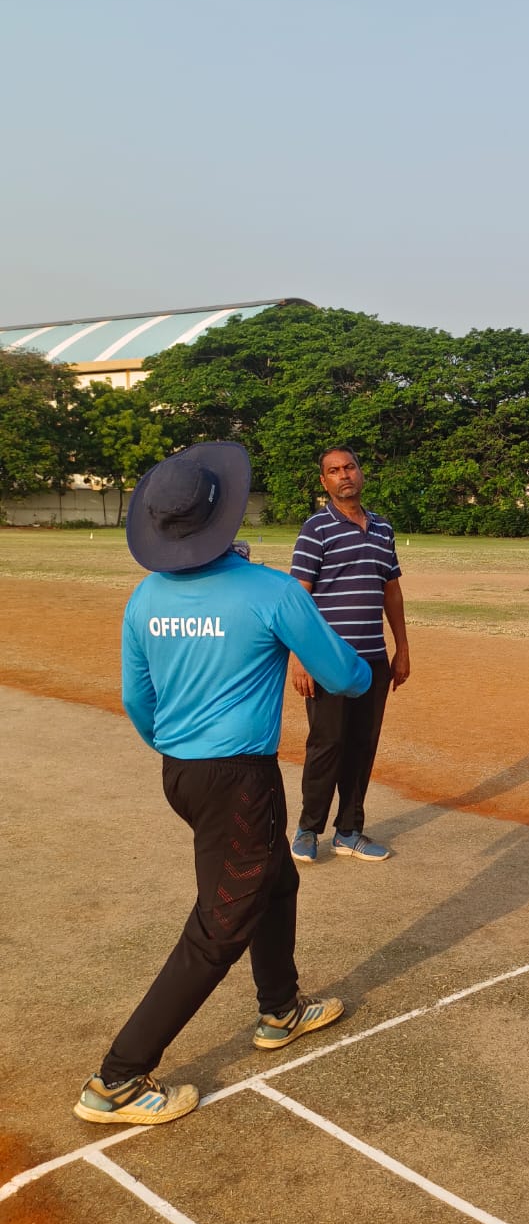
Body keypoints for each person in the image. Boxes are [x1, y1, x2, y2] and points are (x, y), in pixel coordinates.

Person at [74, 442, 372, 1127]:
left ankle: (280, 1007)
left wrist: (178, 748)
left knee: (276, 880)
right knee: (219, 924)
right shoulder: (270, 590)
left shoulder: (145, 596)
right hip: (238, 778)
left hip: (179, 771)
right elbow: (341, 676)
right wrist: (362, 673)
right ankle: (116, 1077)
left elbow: (136, 700)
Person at [289, 446, 410, 863]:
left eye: (350, 467)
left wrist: (402, 649)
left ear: (361, 473)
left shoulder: (382, 529)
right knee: (327, 745)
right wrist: (299, 659)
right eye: (334, 471)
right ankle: (307, 829)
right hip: (327, 663)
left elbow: (390, 590)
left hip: (373, 662)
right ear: (324, 482)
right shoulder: (316, 529)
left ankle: (349, 831)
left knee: (362, 746)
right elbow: (297, 599)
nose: (344, 475)